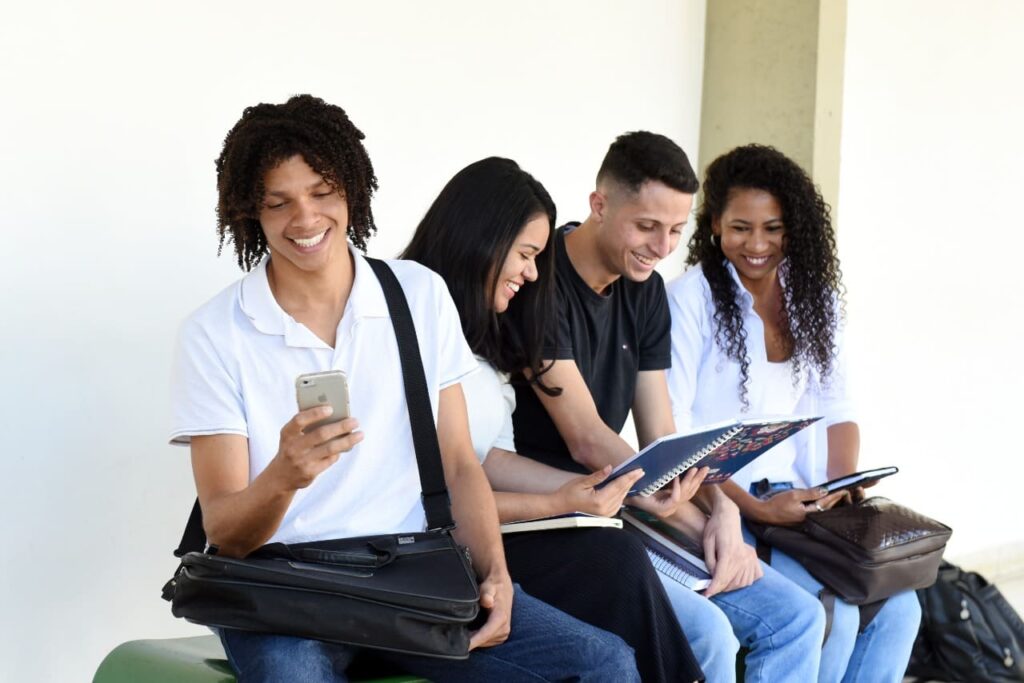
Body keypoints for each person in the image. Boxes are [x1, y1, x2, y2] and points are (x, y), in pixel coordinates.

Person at [168, 94, 640, 683]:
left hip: (409, 577)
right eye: (278, 202)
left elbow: (460, 465)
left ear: (352, 191)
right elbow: (227, 533)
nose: (306, 219)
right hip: (280, 591)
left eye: (322, 193)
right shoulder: (215, 334)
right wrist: (284, 475)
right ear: (250, 212)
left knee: (603, 664)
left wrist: (494, 571)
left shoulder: (417, 295)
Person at [510, 132, 827, 682]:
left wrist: (720, 509)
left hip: (623, 494)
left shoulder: (646, 291)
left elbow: (661, 429)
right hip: (559, 508)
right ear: (599, 205)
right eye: (647, 226)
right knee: (709, 634)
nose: (662, 247)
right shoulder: (542, 282)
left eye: (676, 231)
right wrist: (672, 499)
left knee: (796, 616)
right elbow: (586, 436)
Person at [402, 156, 705, 683]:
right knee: (613, 561)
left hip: (483, 531)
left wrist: (588, 490)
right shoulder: (404, 316)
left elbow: (490, 458)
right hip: (435, 546)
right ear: (482, 240)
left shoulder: (485, 335)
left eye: (538, 256)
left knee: (614, 554)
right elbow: (429, 494)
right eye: (525, 254)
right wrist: (558, 501)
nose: (533, 272)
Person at [666, 143, 922, 682]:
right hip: (725, 503)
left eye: (773, 228)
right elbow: (676, 429)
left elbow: (836, 404)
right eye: (741, 227)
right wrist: (756, 511)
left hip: (804, 506)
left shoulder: (814, 299)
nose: (757, 244)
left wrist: (839, 482)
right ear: (714, 226)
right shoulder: (689, 300)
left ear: (794, 227)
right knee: (832, 611)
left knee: (902, 609)